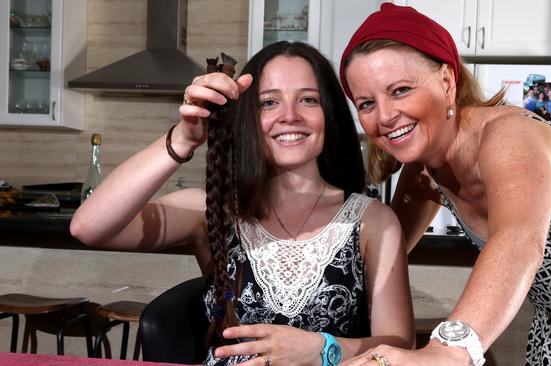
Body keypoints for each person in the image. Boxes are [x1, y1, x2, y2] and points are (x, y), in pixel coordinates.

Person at [337, 3, 551, 366]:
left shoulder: (507, 136)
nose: (385, 116)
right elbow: (375, 263)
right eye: (366, 103)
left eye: (401, 90)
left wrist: (449, 350)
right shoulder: (423, 176)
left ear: (447, 81)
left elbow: (517, 239)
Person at [70, 40, 414, 366]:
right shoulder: (212, 212)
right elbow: (88, 227)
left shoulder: (371, 221)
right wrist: (183, 138)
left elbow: (399, 347)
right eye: (269, 102)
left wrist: (323, 349)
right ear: (248, 118)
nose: (289, 115)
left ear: (330, 114)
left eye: (308, 100)